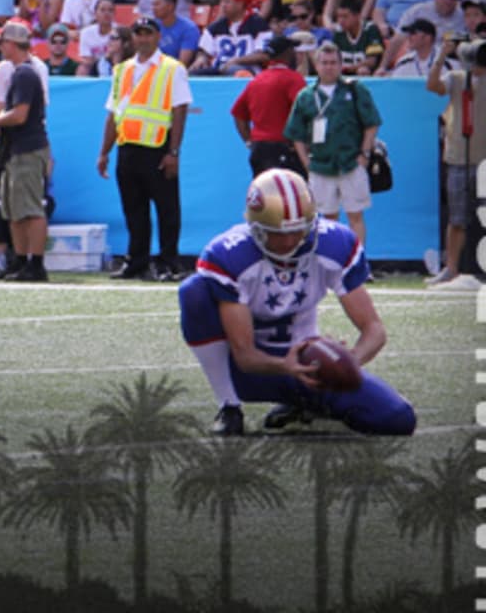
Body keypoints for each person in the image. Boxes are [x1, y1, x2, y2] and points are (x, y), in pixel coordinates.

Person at [178, 168, 416, 437]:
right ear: (255, 227)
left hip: (308, 364)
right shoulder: (230, 255)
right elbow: (245, 357)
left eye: (299, 230)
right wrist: (283, 366)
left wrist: (346, 364)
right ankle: (229, 405)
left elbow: (374, 329)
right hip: (250, 372)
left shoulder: (334, 244)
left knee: (398, 419)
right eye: (278, 234)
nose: (290, 241)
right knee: (194, 291)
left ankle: (302, 405)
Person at [97, 17, 191, 282]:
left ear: (157, 37)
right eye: (138, 34)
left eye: (148, 34)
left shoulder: (172, 68)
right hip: (128, 147)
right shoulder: (122, 70)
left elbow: (179, 109)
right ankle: (136, 260)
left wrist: (173, 152)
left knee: (166, 209)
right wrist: (104, 151)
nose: (143, 39)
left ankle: (168, 261)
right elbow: (114, 114)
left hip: (158, 147)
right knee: (133, 209)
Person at [285, 42, 381, 249]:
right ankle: (330, 261)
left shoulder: (354, 89)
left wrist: (364, 153)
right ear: (316, 65)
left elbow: (371, 123)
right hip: (320, 164)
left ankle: (358, 260)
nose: (329, 67)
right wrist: (306, 163)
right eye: (324, 63)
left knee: (355, 214)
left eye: (333, 63)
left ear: (340, 65)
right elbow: (296, 134)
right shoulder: (306, 96)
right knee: (326, 218)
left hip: (350, 162)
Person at [0, 22, 51, 282]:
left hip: (26, 149)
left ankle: (35, 263)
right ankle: (22, 261)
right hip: (19, 149)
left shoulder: (24, 74)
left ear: (12, 44)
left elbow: (20, 115)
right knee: (14, 209)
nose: (1, 48)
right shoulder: (24, 73)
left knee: (30, 209)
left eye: (3, 43)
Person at [424, 39, 486, 291]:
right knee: (457, 218)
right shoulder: (457, 78)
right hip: (459, 155)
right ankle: (451, 268)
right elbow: (432, 86)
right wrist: (441, 56)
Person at [230, 36, 307, 177]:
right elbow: (305, 111)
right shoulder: (293, 79)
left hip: (260, 149)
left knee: (265, 195)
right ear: (287, 54)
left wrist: (249, 141)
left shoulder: (256, 81)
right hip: (285, 148)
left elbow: (238, 114)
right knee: (292, 194)